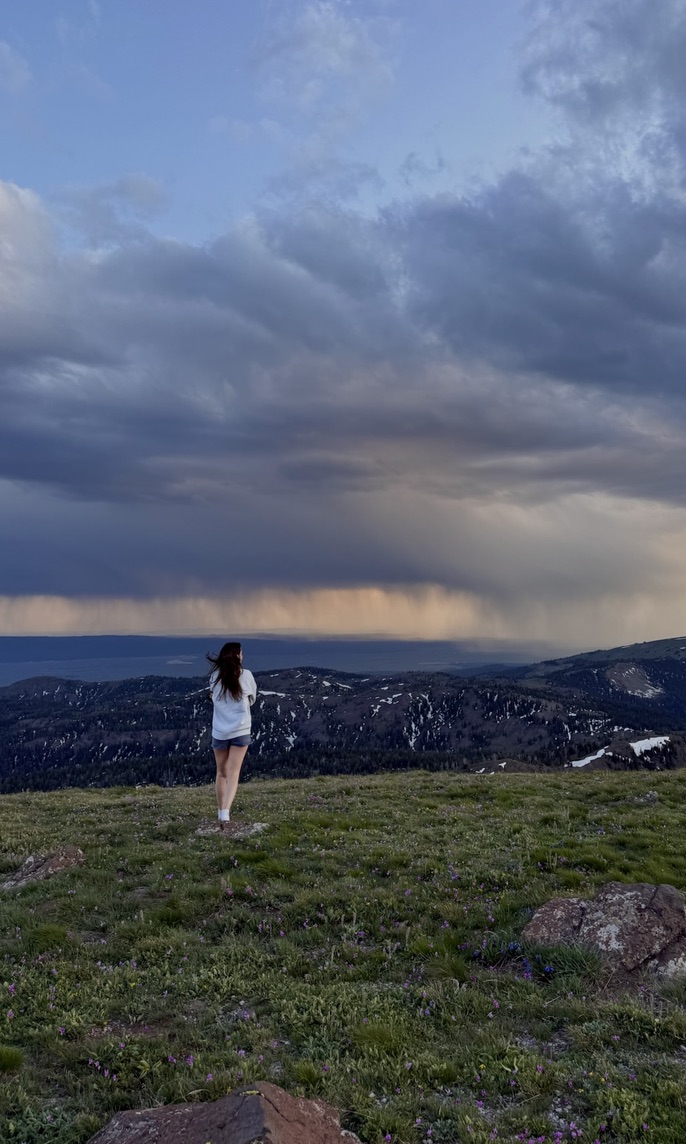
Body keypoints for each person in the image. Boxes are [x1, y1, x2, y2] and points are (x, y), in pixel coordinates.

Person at [206, 641, 257, 829]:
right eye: (241, 653)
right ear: (237, 656)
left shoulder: (215, 678)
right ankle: (226, 813)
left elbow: (215, 699)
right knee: (234, 772)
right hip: (241, 729)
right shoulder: (247, 676)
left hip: (219, 731)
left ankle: (221, 811)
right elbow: (252, 699)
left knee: (221, 772)